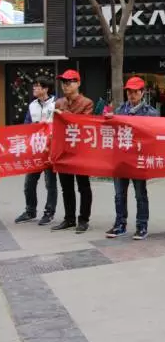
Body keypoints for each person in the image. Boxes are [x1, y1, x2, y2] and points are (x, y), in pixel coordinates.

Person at [104, 77, 158, 240]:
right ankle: (120, 224)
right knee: (119, 194)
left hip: (139, 159)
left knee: (140, 194)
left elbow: (154, 137)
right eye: (129, 92)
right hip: (121, 158)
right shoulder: (119, 110)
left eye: (135, 92)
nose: (132, 95)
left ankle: (142, 226)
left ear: (142, 93)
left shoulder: (151, 113)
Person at [51, 69, 94, 234]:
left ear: (78, 83)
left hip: (81, 151)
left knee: (83, 186)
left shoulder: (87, 103)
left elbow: (84, 123)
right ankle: (69, 218)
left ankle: (83, 219)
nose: (66, 85)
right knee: (66, 187)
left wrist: (64, 114)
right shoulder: (58, 103)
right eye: (63, 82)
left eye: (69, 82)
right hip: (63, 150)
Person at [15, 76, 58, 226]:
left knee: (50, 183)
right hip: (36, 149)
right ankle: (30, 211)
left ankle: (49, 212)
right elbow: (27, 125)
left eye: (37, 86)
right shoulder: (32, 105)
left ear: (46, 89)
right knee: (29, 183)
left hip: (50, 150)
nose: (34, 88)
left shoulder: (56, 103)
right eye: (34, 86)